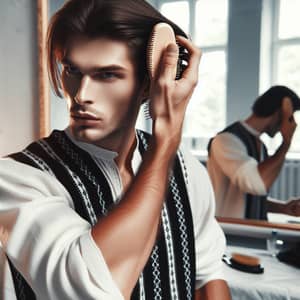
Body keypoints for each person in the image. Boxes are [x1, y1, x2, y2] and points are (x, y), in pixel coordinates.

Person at [0, 0, 231, 299]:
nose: (81, 95)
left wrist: (166, 149)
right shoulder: (19, 178)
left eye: (107, 75)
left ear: (149, 83)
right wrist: (166, 140)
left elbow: (208, 276)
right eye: (72, 69)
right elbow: (94, 289)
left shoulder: (186, 170)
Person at [207, 85, 300, 220]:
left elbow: (252, 197)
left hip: (254, 234)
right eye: (290, 117)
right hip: (231, 235)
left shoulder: (261, 146)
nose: (291, 123)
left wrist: (283, 208)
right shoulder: (226, 140)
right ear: (280, 113)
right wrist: (286, 142)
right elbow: (257, 184)